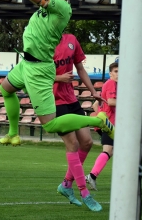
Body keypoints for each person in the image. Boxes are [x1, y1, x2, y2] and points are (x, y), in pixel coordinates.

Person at [0, 0, 114, 209]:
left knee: (53, 128)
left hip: (38, 70)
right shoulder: (52, 3)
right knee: (5, 88)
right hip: (26, 63)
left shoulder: (61, 6)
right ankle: (14, 134)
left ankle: (98, 120)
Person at [53, 33, 104, 211]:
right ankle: (85, 193)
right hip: (53, 102)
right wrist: (58, 78)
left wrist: (93, 91)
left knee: (87, 142)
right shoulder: (42, 42)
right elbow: (36, 76)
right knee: (73, 144)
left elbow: (80, 68)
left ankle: (66, 184)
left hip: (71, 100)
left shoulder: (71, 40)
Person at [85, 62, 118, 191]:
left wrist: (101, 116)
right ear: (110, 74)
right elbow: (110, 102)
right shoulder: (111, 84)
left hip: (108, 123)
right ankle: (92, 176)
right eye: (115, 71)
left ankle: (92, 176)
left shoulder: (113, 85)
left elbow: (95, 105)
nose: (118, 73)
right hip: (110, 124)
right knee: (109, 151)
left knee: (113, 151)